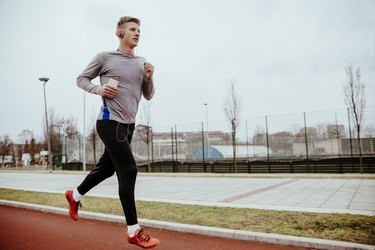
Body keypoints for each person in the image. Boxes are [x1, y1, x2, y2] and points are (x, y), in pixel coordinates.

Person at [65, 16, 159, 249]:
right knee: (128, 169)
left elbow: (148, 95)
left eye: (139, 30)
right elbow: (81, 79)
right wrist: (99, 89)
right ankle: (133, 230)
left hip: (128, 125)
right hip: (109, 122)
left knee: (106, 169)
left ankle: (74, 196)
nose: (137, 33)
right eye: (132, 29)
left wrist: (149, 77)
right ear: (119, 32)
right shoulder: (105, 57)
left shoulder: (142, 62)